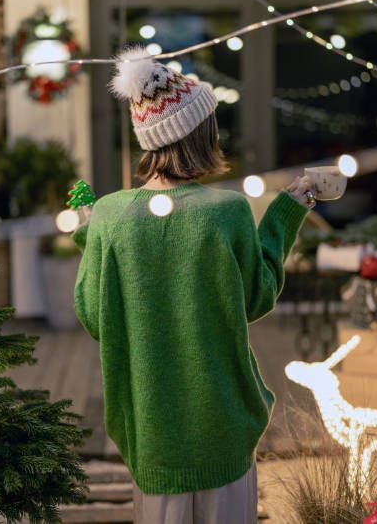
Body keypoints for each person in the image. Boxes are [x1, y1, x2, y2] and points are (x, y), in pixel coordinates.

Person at [71, 47, 317, 524]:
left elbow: (94, 312)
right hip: (222, 423)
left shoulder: (110, 215)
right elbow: (257, 295)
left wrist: (91, 236)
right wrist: (287, 213)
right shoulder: (226, 211)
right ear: (201, 135)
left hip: (151, 429)